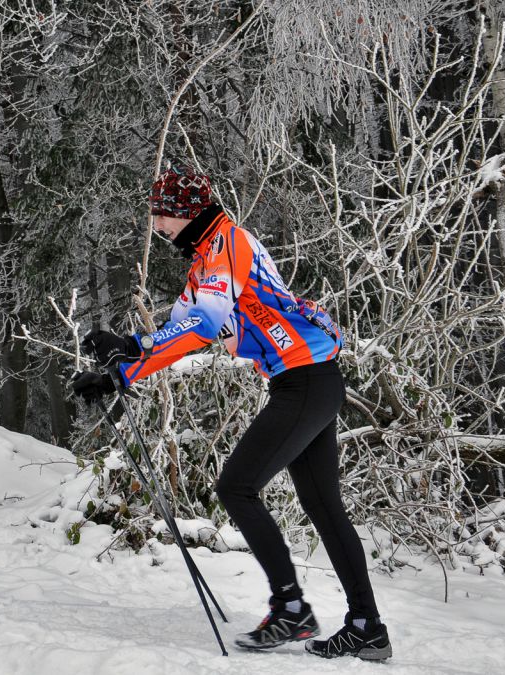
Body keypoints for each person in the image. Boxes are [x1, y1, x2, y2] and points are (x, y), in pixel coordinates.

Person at [72, 167, 392, 661]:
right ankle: (366, 626)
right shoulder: (204, 262)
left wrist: (132, 348)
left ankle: (291, 609)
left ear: (185, 213)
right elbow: (182, 330)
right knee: (324, 508)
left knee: (236, 488)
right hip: (306, 380)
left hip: (305, 379)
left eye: (161, 216)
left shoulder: (227, 244)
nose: (157, 227)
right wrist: (119, 370)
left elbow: (207, 323)